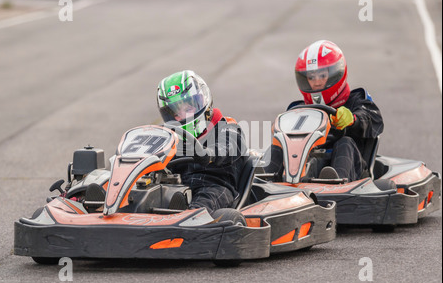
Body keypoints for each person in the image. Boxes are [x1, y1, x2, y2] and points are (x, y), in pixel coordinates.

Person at [265, 40, 384, 181]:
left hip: (351, 170)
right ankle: (263, 183)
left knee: (345, 143)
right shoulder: (297, 109)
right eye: (311, 77)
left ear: (335, 74)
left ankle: (336, 182)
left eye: (322, 75)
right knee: (277, 148)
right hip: (305, 166)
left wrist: (352, 119)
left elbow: (375, 121)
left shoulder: (356, 100)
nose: (316, 82)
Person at [157, 70, 248, 213]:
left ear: (204, 101)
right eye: (176, 113)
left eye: (188, 108)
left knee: (203, 203)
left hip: (215, 186)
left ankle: (188, 221)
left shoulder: (226, 127)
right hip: (179, 186)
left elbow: (229, 147)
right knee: (148, 193)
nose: (183, 116)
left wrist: (208, 153)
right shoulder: (172, 137)